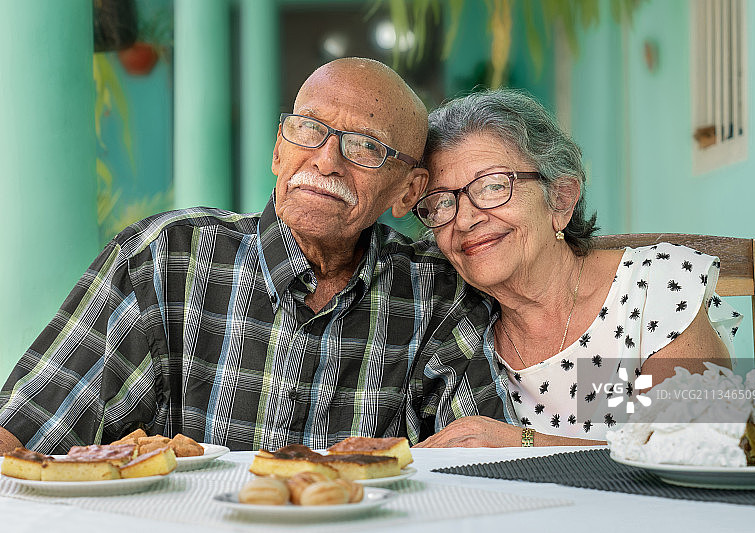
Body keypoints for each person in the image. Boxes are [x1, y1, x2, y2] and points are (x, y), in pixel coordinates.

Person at [0, 58, 514, 455]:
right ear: (277, 151)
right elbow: (20, 439)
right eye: (309, 129)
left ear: (407, 191)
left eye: (364, 147)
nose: (325, 160)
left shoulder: (435, 292)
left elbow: (479, 470)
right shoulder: (164, 259)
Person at [410, 89, 741, 448]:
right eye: (442, 202)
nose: (466, 219)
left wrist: (523, 444)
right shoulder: (459, 333)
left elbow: (688, 451)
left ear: (561, 199)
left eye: (492, 186)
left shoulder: (656, 288)